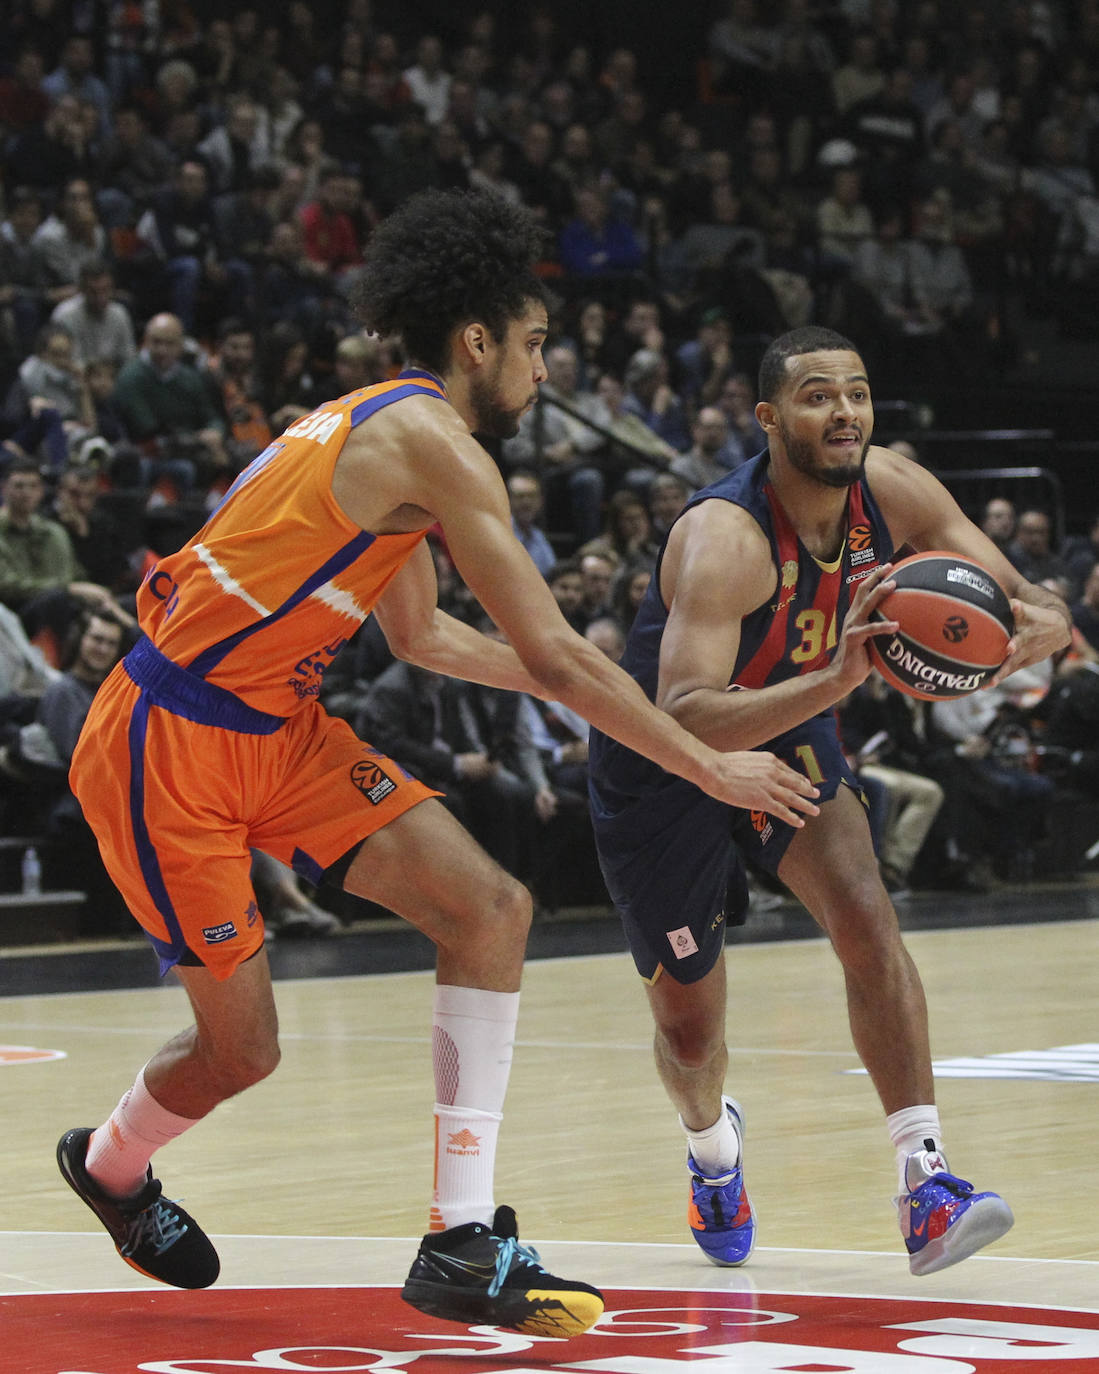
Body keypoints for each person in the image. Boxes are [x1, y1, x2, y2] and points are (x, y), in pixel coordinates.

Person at [55, 188, 815, 1336]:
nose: (543, 372)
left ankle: (460, 1239)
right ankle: (110, 1166)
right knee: (242, 1051)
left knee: (490, 908)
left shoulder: (379, 429)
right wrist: (707, 765)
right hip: (169, 744)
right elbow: (554, 656)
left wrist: (608, 699)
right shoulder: (429, 441)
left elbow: (425, 637)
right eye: (535, 345)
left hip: (281, 726)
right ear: (478, 342)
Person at [587, 325, 1070, 1279]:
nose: (843, 410)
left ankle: (924, 1182)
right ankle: (711, 1151)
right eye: (816, 395)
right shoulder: (722, 535)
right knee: (691, 1033)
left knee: (863, 911)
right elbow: (690, 712)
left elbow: (1016, 596)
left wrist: (1042, 621)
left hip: (791, 723)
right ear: (768, 419)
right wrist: (841, 676)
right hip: (664, 758)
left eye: (854, 391)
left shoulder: (892, 488)